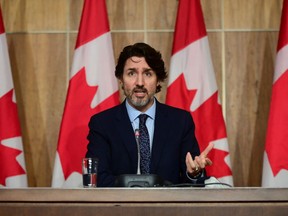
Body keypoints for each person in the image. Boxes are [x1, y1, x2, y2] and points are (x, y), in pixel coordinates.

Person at [85, 42, 213, 187]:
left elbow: (192, 183)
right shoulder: (102, 124)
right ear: (121, 79)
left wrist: (193, 173)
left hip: (166, 207)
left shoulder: (180, 122)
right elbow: (97, 179)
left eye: (148, 73)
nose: (140, 82)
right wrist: (136, 189)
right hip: (120, 207)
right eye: (131, 73)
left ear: (158, 79)